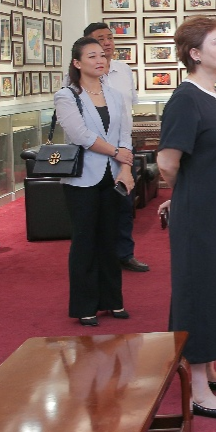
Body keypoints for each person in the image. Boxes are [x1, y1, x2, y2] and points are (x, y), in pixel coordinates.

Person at [156, 16, 216, 419]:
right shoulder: (186, 98)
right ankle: (196, 389)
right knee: (199, 292)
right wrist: (186, 196)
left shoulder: (213, 94)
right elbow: (167, 162)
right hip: (201, 216)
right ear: (195, 53)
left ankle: (208, 369)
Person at [55, 37, 135, 327]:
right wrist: (115, 152)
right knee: (85, 240)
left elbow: (125, 134)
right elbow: (81, 136)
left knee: (110, 239)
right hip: (82, 178)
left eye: (102, 55)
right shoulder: (66, 95)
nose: (100, 60)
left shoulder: (115, 94)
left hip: (114, 175)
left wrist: (125, 168)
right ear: (77, 63)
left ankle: (112, 300)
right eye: (92, 56)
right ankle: (84, 305)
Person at [82, 22, 149, 273]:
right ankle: (99, 256)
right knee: (95, 207)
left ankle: (124, 254)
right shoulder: (79, 75)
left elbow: (127, 111)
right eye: (100, 38)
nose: (107, 43)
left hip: (123, 145)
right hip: (93, 149)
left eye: (110, 38)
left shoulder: (124, 70)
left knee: (124, 202)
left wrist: (124, 150)